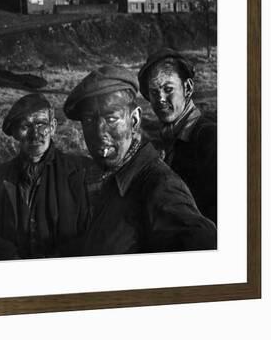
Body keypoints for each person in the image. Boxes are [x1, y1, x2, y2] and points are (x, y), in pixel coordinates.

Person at [63, 66, 216, 256]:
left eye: (111, 119)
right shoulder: (114, 179)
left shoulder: (159, 187)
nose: (99, 132)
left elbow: (204, 244)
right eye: (88, 121)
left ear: (134, 121)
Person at [0, 93, 90, 261]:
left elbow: (96, 231)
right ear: (15, 133)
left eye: (41, 125)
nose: (35, 134)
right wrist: (8, 256)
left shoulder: (80, 172)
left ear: (53, 127)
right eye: (25, 126)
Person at [138, 48, 217, 224]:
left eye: (168, 89)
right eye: (154, 92)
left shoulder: (210, 138)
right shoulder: (165, 141)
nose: (161, 99)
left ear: (187, 88)